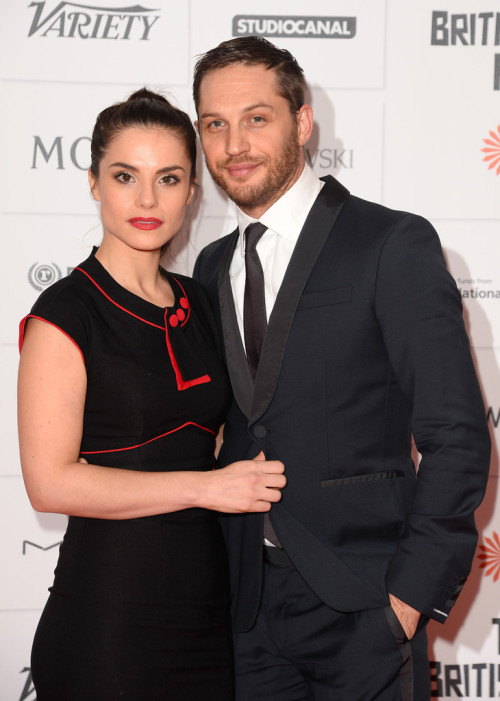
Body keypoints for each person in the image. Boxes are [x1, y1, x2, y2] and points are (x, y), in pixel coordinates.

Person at [192, 37, 491, 700]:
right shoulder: (210, 266)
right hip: (245, 614)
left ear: (302, 122)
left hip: (364, 608)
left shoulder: (390, 243)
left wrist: (406, 601)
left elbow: (458, 435)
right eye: (215, 124)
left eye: (256, 117)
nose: (234, 142)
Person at [17, 87, 285, 701]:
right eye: (124, 176)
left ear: (193, 193)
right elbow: (49, 483)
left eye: (168, 178)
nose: (146, 199)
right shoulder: (66, 312)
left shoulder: (203, 301)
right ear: (93, 183)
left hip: (207, 620)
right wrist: (207, 487)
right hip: (106, 624)